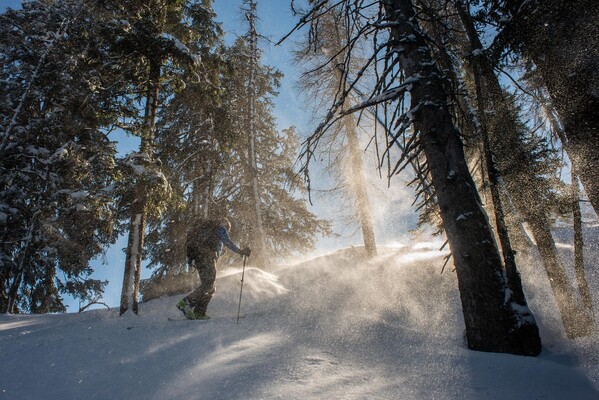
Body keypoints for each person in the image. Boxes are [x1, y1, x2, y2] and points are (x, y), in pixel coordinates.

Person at [177, 217, 251, 319]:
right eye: (228, 229)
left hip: (199, 260)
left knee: (210, 287)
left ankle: (199, 313)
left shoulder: (206, 232)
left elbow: (217, 246)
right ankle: (185, 303)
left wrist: (220, 252)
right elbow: (227, 242)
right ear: (225, 225)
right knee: (208, 285)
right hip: (207, 259)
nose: (227, 231)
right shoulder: (220, 228)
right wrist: (240, 251)